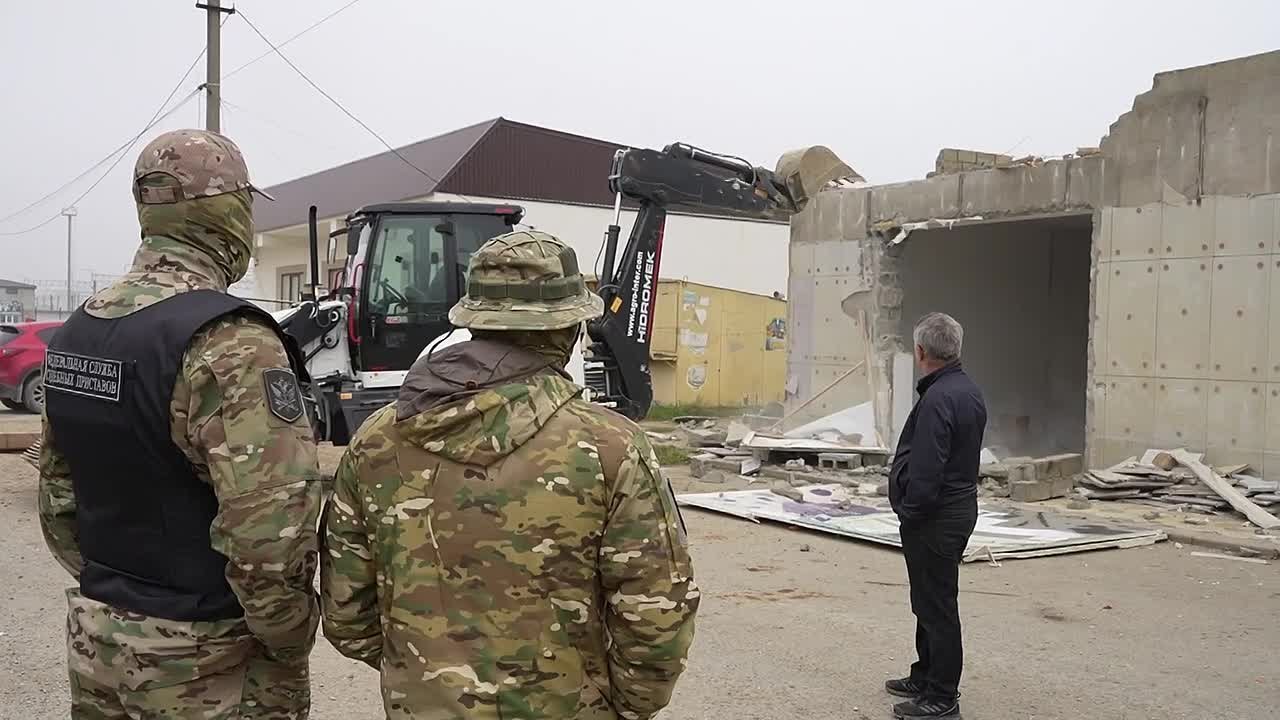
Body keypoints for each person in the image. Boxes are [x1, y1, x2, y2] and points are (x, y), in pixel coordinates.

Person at [320, 230, 700, 719]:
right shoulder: (611, 446)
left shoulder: (376, 441)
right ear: (567, 330)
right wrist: (621, 705)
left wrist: (427, 681)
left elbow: (347, 614)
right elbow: (656, 615)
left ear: (473, 321)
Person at [38, 129, 323, 719]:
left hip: (99, 639)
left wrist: (123, 595)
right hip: (205, 659)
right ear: (229, 212)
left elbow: (59, 498)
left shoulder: (77, 331)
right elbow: (270, 530)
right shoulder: (231, 340)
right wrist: (288, 634)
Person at [885, 312, 987, 719]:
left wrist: (910, 513)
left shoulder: (939, 398)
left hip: (936, 516)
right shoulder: (966, 390)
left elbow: (928, 469)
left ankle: (942, 697)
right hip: (953, 510)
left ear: (920, 351)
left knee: (938, 606)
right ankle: (925, 674)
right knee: (927, 600)